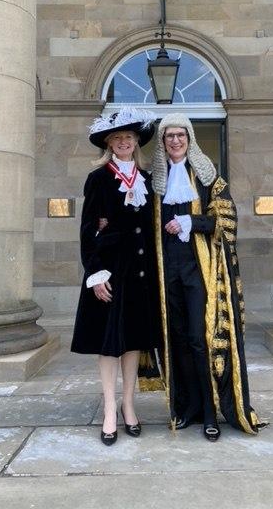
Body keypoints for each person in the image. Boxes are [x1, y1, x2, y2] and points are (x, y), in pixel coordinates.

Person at [151, 113, 263, 441]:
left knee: (200, 340)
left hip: (198, 270)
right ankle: (188, 408)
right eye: (169, 136)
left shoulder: (209, 177)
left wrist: (192, 222)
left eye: (180, 135)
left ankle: (211, 412)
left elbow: (227, 222)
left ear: (189, 139)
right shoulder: (153, 181)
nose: (175, 141)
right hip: (166, 270)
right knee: (178, 340)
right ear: (162, 142)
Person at [71, 107, 161, 446]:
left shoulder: (148, 180)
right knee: (109, 344)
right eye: (118, 138)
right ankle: (110, 408)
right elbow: (87, 230)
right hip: (110, 273)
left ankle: (129, 404)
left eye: (129, 137)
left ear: (136, 142)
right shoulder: (98, 179)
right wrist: (95, 273)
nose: (124, 142)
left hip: (140, 275)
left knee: (134, 341)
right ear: (109, 143)